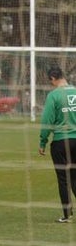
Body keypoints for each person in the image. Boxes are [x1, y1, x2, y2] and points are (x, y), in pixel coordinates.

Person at [39, 65, 76, 223]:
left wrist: (43, 141)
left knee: (63, 179)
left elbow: (47, 120)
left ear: (53, 79)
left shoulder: (54, 95)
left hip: (61, 141)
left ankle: (67, 215)